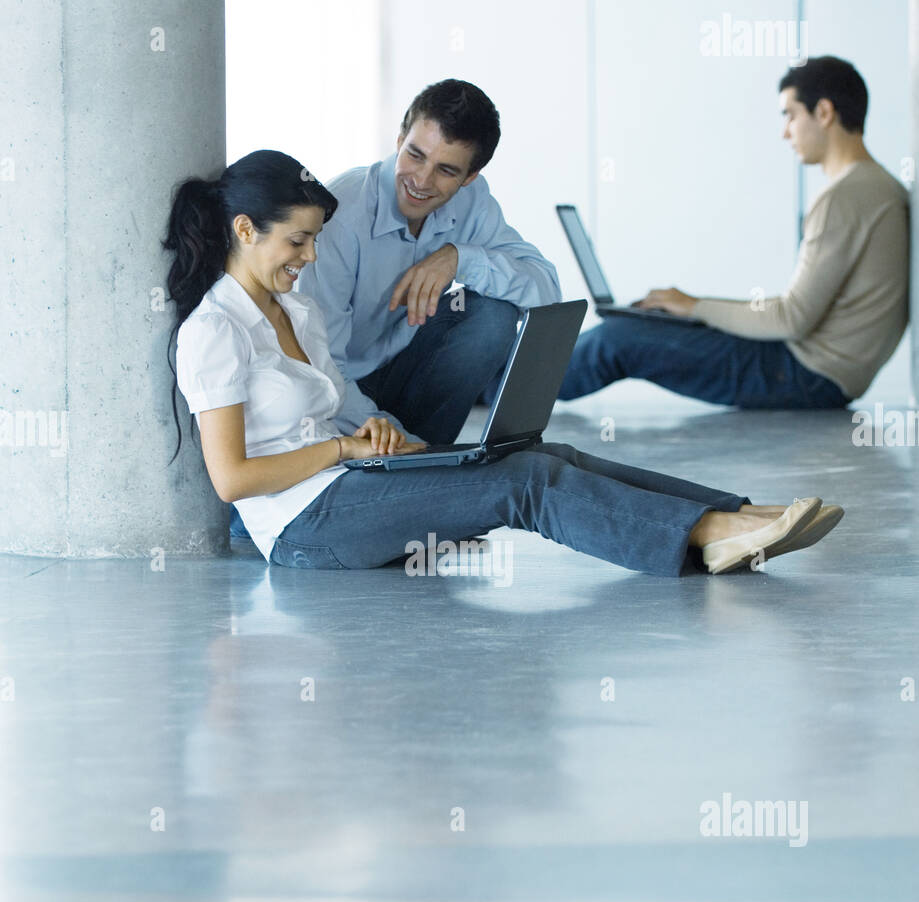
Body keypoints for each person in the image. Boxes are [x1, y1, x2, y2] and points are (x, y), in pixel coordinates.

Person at [162, 149, 844, 579]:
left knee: (544, 453)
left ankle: (739, 513)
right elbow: (233, 480)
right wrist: (343, 445)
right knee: (526, 485)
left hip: (353, 481)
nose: (310, 257)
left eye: (314, 240)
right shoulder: (215, 332)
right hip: (304, 529)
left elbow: (347, 406)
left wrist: (407, 445)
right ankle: (709, 536)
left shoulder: (297, 313)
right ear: (245, 230)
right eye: (298, 241)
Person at [559, 56, 910, 410]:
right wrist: (693, 309)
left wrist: (696, 306)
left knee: (618, 339)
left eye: (789, 114)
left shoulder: (844, 198)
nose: (784, 131)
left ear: (823, 112)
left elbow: (792, 319)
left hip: (806, 374)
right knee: (666, 327)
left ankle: (509, 388)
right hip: (819, 371)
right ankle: (511, 377)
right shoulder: (879, 188)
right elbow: (798, 310)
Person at [297, 78, 562, 441]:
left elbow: (545, 290)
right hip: (335, 392)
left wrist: (459, 259)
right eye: (415, 155)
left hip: (405, 372)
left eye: (446, 170)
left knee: (493, 316)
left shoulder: (472, 202)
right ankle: (419, 459)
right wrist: (397, 440)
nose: (421, 180)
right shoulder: (342, 215)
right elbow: (320, 368)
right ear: (399, 139)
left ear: (470, 177)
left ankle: (428, 457)